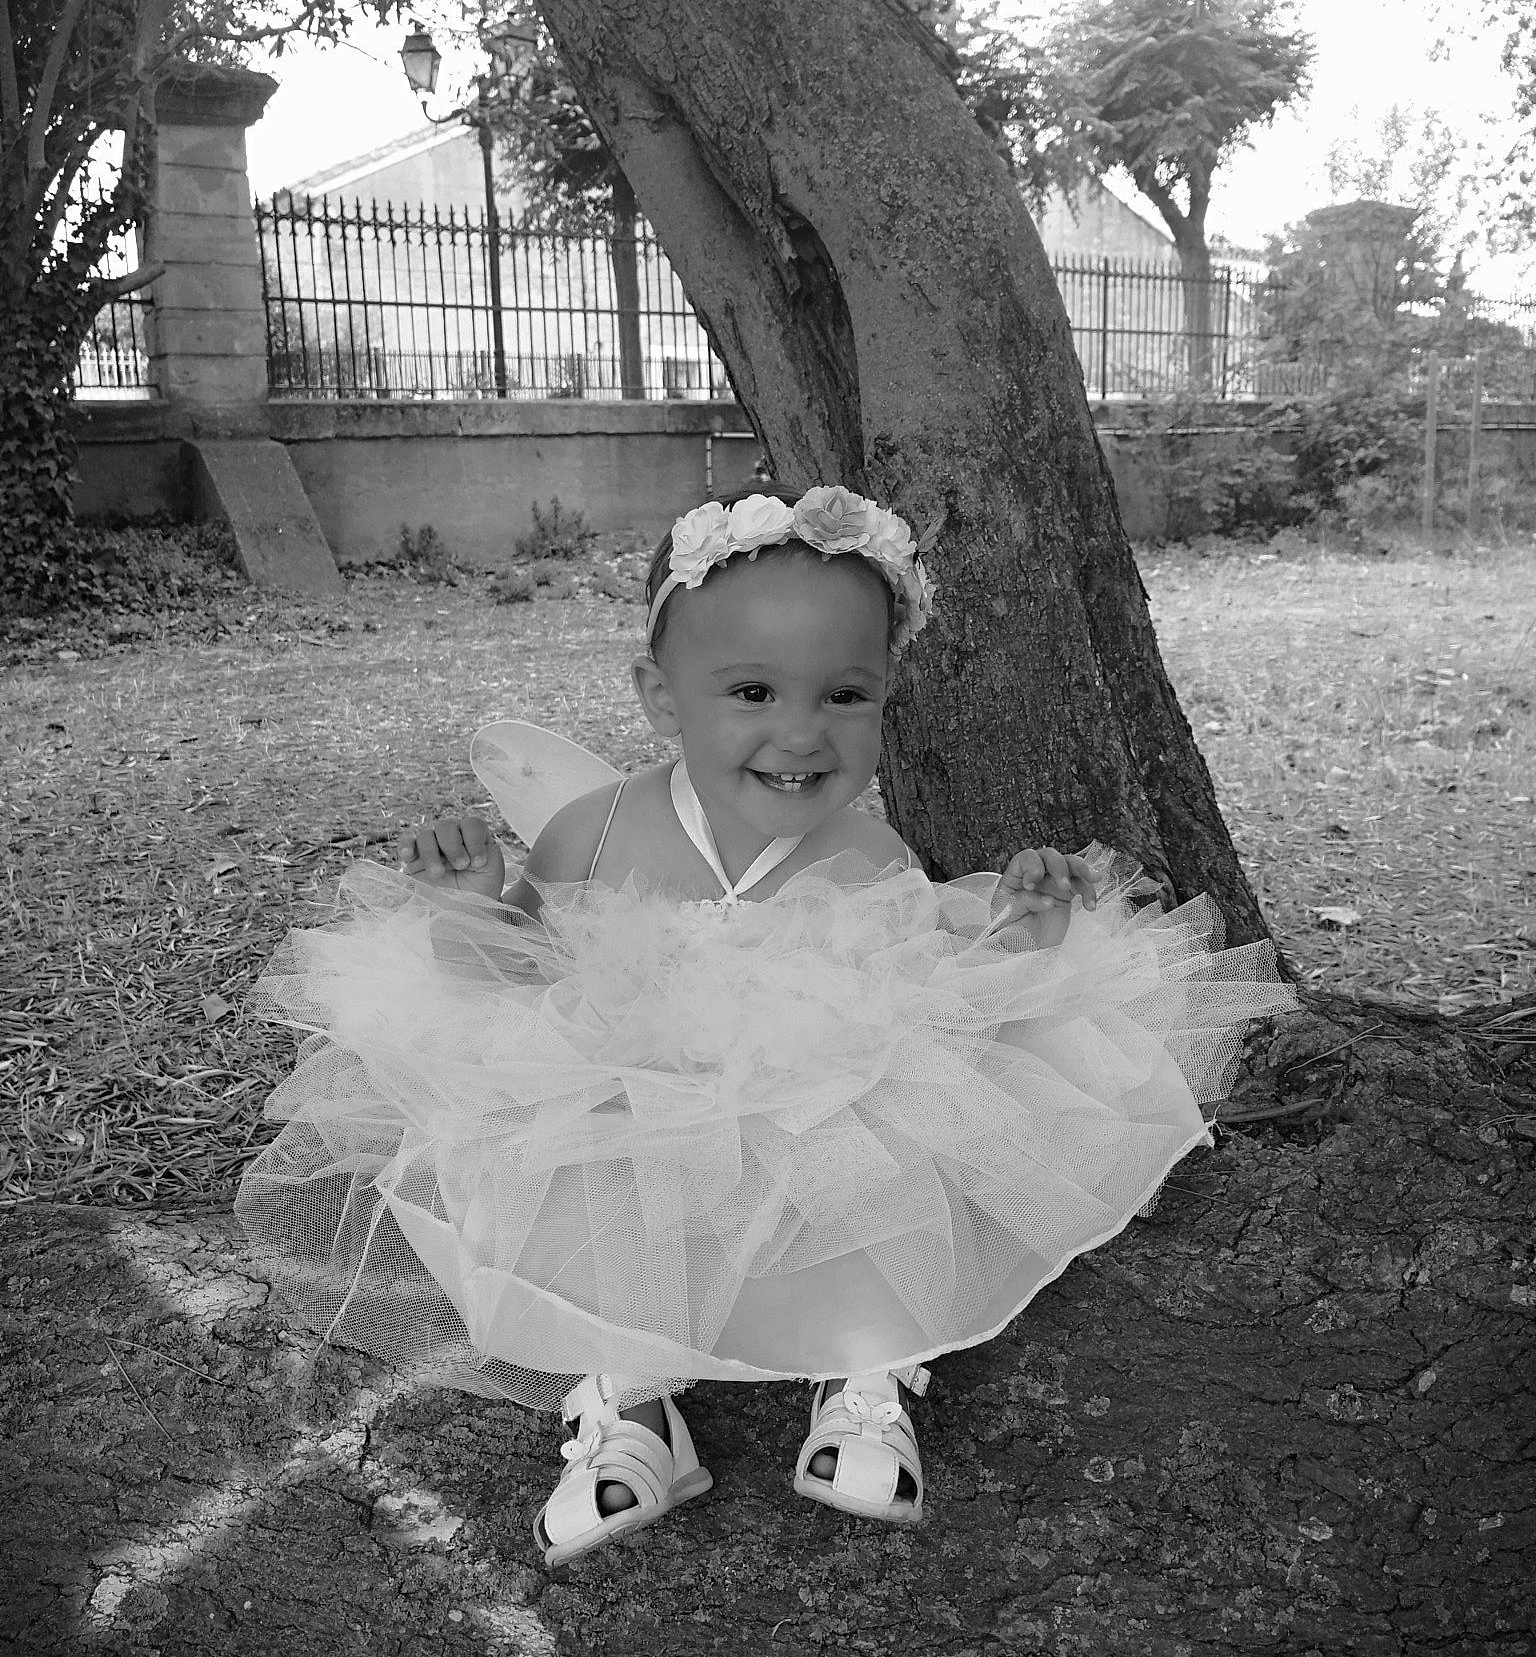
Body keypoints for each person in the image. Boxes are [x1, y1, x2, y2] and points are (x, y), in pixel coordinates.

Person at [236, 481, 1291, 1568]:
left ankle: (863, 1375)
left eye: (846, 694)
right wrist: (470, 906)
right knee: (554, 1166)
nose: (801, 732)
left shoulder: (869, 854)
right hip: (629, 1098)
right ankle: (630, 1404)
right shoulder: (596, 831)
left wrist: (1021, 930)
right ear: (661, 698)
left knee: (890, 1147)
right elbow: (510, 978)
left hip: (796, 1109)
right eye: (752, 691)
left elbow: (944, 997)